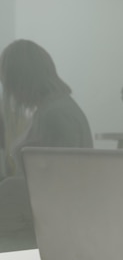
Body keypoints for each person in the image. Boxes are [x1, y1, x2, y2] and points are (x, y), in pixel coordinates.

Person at [0, 39, 93, 245]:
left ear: (21, 81)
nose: (9, 92)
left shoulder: (56, 114)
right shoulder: (51, 110)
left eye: (9, 83)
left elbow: (63, 182)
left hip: (52, 225)